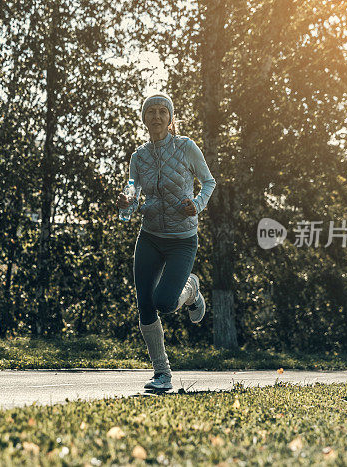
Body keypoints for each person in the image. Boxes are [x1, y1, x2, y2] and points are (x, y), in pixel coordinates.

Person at [116, 92, 217, 391]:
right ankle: (162, 374)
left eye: (163, 112)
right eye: (151, 112)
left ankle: (192, 289)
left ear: (171, 118)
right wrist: (126, 204)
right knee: (145, 305)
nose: (157, 117)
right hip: (149, 237)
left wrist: (197, 204)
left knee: (165, 301)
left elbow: (208, 182)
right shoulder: (139, 157)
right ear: (144, 118)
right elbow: (133, 195)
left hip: (182, 239)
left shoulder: (186, 147)